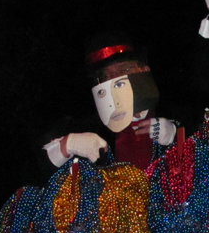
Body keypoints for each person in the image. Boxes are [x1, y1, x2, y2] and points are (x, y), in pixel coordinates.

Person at [43, 34, 176, 172]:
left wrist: (175, 135)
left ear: (143, 70)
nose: (113, 79)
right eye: (106, 75)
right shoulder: (88, 128)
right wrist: (66, 145)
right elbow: (32, 175)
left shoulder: (177, 113)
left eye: (124, 69)